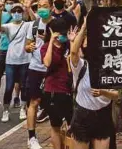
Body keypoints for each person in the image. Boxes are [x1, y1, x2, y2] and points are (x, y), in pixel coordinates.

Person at [69, 21, 119, 149]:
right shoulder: (81, 66)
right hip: (82, 116)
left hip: (103, 117)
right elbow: (74, 53)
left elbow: (116, 95)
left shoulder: (111, 68)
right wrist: (85, 26)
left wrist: (103, 92)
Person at [24, 0, 53, 149]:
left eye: (45, 6)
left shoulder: (57, 24)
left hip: (53, 70)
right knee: (33, 102)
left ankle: (57, 135)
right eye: (39, 6)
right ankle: (31, 137)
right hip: (35, 68)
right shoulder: (33, 25)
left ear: (51, 7)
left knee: (53, 104)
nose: (42, 9)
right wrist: (29, 47)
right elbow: (27, 46)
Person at [0, 2, 32, 122]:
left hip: (25, 60)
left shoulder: (27, 25)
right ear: (11, 13)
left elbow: (35, 19)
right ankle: (6, 110)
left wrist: (28, 7)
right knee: (9, 87)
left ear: (22, 13)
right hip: (11, 60)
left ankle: (23, 108)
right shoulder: (8, 26)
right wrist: (0, 11)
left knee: (24, 86)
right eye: (14, 11)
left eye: (19, 11)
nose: (17, 13)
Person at [42, 18, 73, 149]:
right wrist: (51, 43)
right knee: (55, 125)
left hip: (68, 90)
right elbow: (47, 63)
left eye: (64, 33)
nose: (63, 36)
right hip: (53, 91)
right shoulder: (45, 47)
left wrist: (72, 41)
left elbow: (79, 57)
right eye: (60, 33)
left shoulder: (68, 45)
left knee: (72, 124)